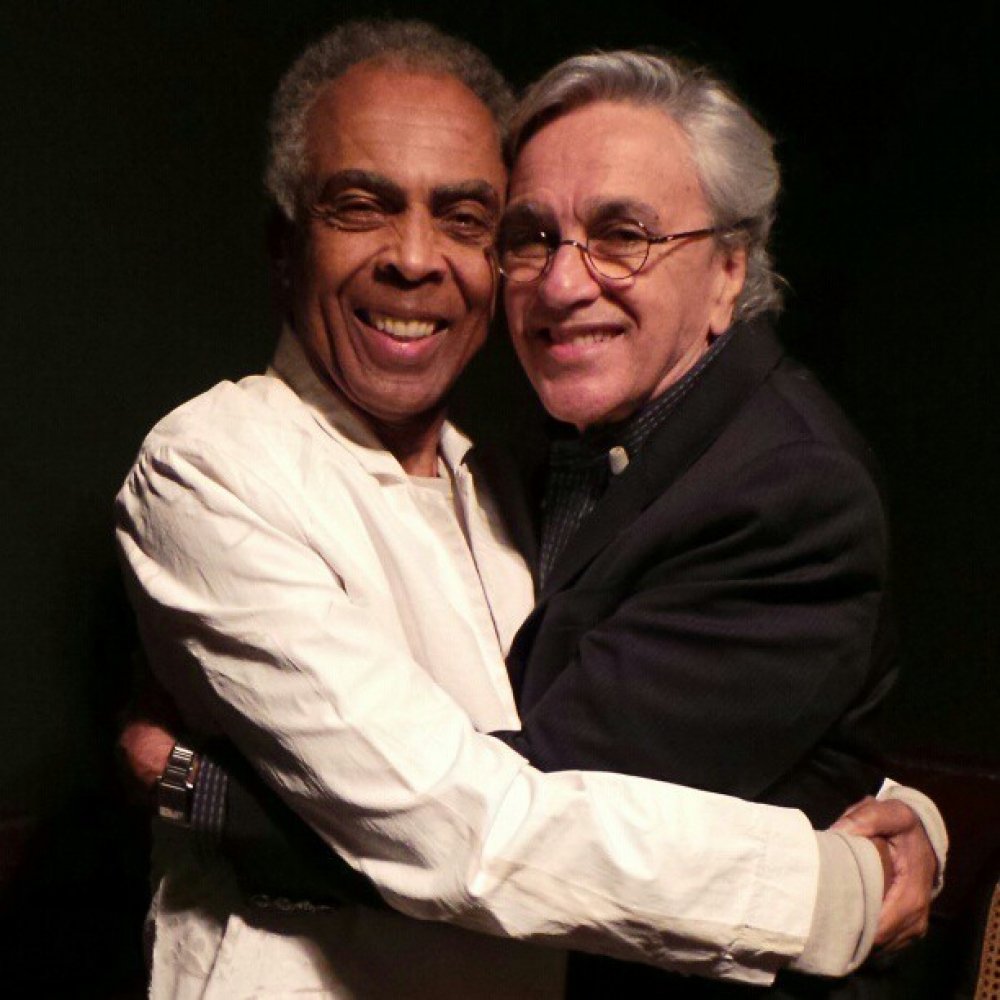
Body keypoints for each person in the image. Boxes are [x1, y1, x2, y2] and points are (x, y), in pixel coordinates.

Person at [116, 19, 943, 1000]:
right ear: (285, 248)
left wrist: (903, 815)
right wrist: (837, 886)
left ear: (730, 271)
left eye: (467, 219)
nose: (416, 259)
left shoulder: (503, 480)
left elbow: (565, 798)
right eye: (360, 207)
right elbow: (466, 831)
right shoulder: (212, 464)